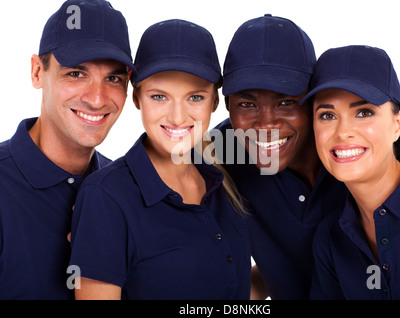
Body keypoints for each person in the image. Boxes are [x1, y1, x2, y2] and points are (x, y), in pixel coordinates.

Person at [214, 14, 400, 299]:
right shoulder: (220, 150)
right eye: (246, 104)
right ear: (226, 106)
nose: (266, 124)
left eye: (287, 101)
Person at [69, 19, 251, 300]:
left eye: (195, 97)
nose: (178, 117)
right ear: (137, 98)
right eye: (159, 96)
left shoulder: (222, 179)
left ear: (214, 102)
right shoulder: (105, 197)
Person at [0, 0, 134, 300]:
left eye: (113, 78)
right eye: (76, 73)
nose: (97, 99)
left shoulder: (127, 188)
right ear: (37, 72)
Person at [305, 45, 400, 299]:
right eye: (327, 115)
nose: (343, 132)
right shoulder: (330, 239)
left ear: (397, 124)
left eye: (364, 112)